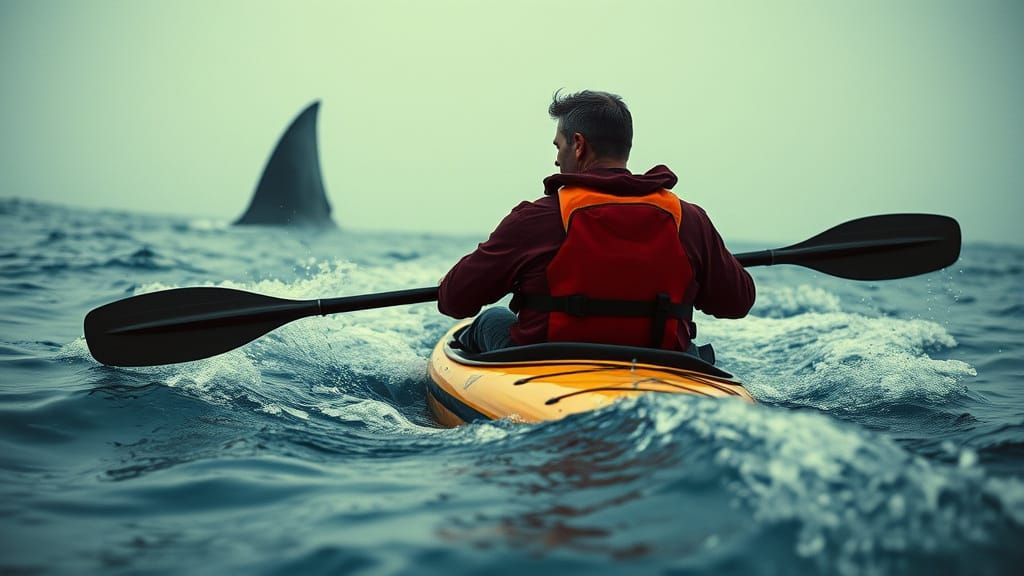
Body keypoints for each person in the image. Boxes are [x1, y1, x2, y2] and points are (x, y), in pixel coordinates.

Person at [438, 90, 755, 355]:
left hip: (548, 365)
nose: (556, 158)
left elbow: (455, 299)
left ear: (578, 144)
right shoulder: (688, 220)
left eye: (558, 146)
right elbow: (737, 302)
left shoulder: (537, 218)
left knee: (486, 320)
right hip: (659, 364)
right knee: (692, 348)